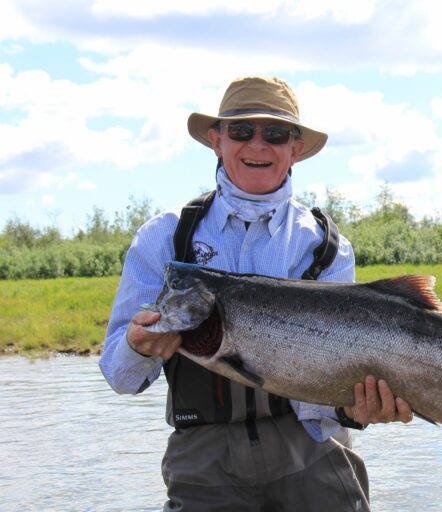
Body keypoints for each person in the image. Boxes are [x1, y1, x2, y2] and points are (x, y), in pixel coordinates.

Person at [99, 76, 413, 511]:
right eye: (242, 131)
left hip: (312, 450)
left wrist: (353, 409)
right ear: (217, 140)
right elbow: (120, 377)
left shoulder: (325, 245)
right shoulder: (164, 236)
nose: (258, 145)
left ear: (295, 148)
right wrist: (137, 346)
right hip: (203, 460)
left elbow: (324, 406)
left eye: (276, 134)